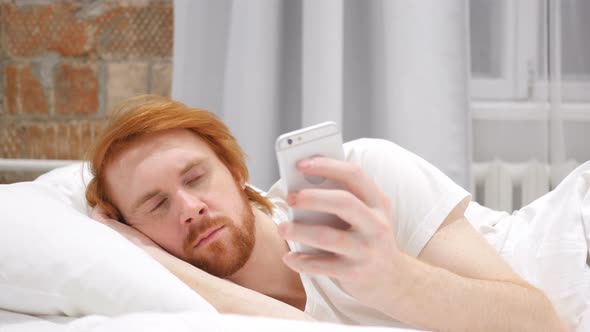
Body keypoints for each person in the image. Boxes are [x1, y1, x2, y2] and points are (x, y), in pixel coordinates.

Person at [85, 95, 568, 331]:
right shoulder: (190, 305)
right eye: (155, 204)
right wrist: (153, 258)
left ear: (235, 172)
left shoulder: (363, 174)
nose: (190, 208)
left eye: (195, 179)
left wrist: (393, 279)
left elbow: (540, 320)